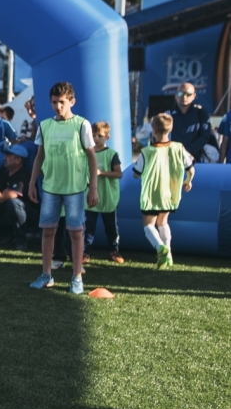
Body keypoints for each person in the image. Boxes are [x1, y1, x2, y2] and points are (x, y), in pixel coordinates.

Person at [28, 82, 98, 294]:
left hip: (75, 187)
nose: (58, 106)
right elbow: (39, 156)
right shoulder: (45, 125)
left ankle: (77, 277)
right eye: (54, 102)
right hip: (50, 186)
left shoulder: (82, 124)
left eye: (62, 102)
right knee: (48, 231)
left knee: (76, 233)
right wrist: (32, 182)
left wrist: (92, 186)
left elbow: (92, 157)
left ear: (72, 101)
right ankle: (47, 275)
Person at [135, 113, 195, 269]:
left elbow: (136, 173)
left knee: (148, 225)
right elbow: (191, 169)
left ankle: (160, 247)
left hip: (152, 193)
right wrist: (188, 181)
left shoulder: (147, 152)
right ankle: (169, 256)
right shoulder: (178, 147)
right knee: (163, 222)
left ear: (153, 130)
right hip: (170, 193)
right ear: (171, 128)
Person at [84, 121, 124, 264]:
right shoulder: (87, 153)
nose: (96, 138)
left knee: (111, 227)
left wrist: (102, 172)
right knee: (88, 228)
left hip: (108, 197)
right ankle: (85, 253)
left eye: (99, 136)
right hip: (90, 197)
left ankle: (114, 251)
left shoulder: (112, 154)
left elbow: (119, 174)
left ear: (107, 137)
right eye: (93, 135)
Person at [165, 82, 212, 162]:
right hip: (171, 159)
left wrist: (188, 149)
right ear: (175, 96)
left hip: (195, 160)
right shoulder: (167, 114)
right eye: (180, 94)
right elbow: (160, 136)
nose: (184, 97)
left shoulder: (201, 113)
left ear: (194, 96)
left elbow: (205, 137)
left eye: (188, 94)